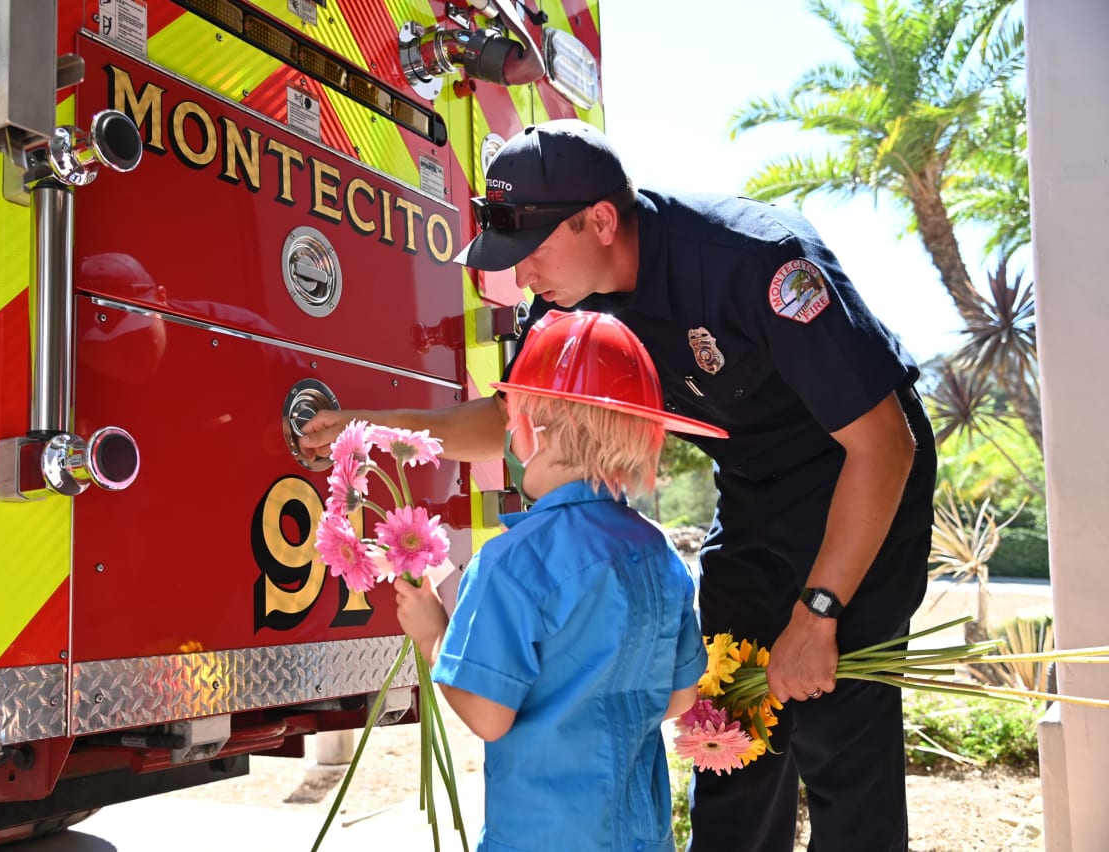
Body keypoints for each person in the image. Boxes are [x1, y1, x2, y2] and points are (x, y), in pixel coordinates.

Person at [301, 118, 937, 852]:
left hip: (864, 489)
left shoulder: (754, 261)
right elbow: (518, 418)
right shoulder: (569, 307)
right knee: (726, 738)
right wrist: (379, 429)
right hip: (757, 496)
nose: (522, 276)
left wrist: (819, 611)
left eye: (531, 251)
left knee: (838, 737)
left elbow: (884, 443)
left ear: (601, 220)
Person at [393, 309, 714, 851]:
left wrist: (432, 636)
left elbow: (489, 717)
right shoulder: (660, 554)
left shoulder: (512, 561)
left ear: (534, 430)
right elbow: (680, 696)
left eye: (511, 421)